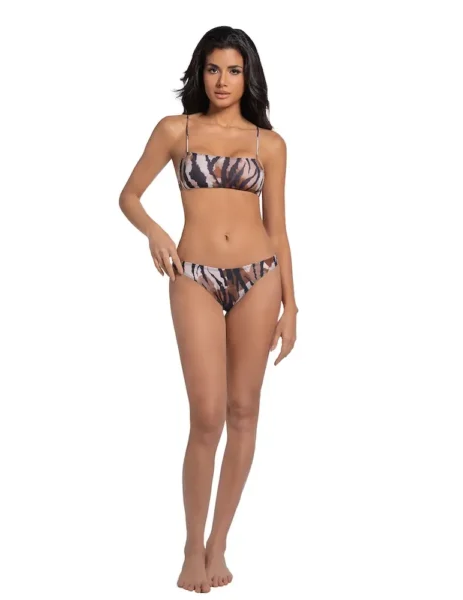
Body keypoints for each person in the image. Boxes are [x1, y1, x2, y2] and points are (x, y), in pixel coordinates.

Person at [118, 25, 298, 594]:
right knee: (207, 415)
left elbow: (278, 229)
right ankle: (191, 545)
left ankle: (219, 542)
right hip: (192, 275)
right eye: (214, 69)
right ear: (200, 72)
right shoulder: (177, 130)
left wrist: (293, 306)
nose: (223, 81)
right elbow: (128, 194)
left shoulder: (269, 144)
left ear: (249, 77)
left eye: (234, 70)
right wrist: (155, 232)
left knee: (245, 411)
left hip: (259, 276)